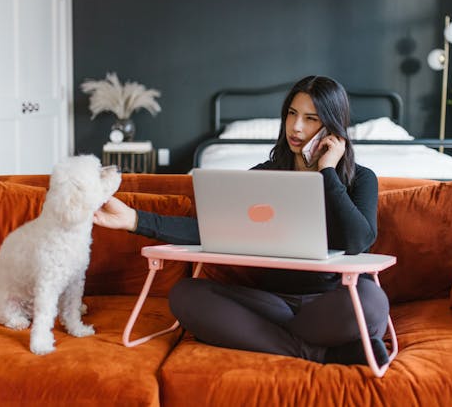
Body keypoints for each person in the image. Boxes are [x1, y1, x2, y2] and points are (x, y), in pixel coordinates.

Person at [93, 75, 390, 366]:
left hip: (333, 303)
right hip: (272, 305)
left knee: (372, 303)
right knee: (186, 295)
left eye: (311, 119)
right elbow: (209, 229)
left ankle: (269, 340)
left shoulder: (360, 179)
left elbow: (359, 241)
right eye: (291, 114)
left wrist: (327, 173)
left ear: (333, 127)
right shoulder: (263, 177)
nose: (296, 127)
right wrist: (133, 219)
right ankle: (320, 353)